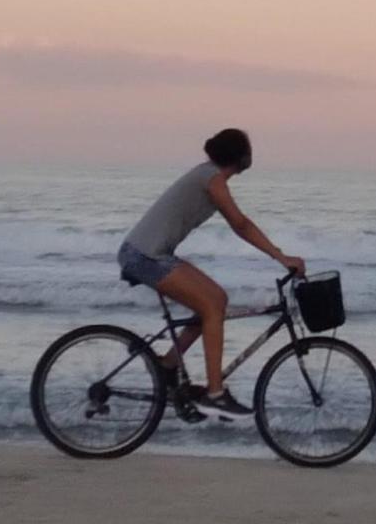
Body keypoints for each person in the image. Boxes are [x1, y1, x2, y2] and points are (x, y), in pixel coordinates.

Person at [117, 129, 306, 419]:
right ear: (241, 156)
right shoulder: (212, 180)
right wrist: (281, 257)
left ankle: (168, 366)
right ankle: (214, 394)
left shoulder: (208, 175)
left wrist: (278, 256)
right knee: (211, 305)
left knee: (215, 300)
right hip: (144, 256)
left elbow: (241, 225)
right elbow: (240, 224)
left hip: (149, 254)